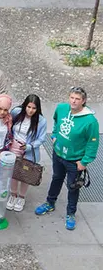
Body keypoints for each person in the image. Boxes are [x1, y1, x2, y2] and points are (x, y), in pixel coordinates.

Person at [35, 87, 99, 231]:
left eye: (77, 99)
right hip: (58, 154)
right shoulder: (62, 108)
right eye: (71, 97)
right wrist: (55, 134)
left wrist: (85, 161)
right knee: (56, 178)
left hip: (74, 160)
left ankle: (71, 213)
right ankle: (50, 203)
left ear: (83, 101)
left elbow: (92, 143)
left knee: (72, 187)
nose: (73, 101)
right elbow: (56, 121)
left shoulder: (90, 121)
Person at [7, 94, 47, 212]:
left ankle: (21, 197)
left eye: (34, 108)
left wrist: (29, 146)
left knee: (25, 174)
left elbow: (41, 138)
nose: (30, 110)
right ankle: (13, 194)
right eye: (29, 107)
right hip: (13, 147)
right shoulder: (16, 112)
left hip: (27, 151)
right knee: (14, 172)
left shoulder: (41, 121)